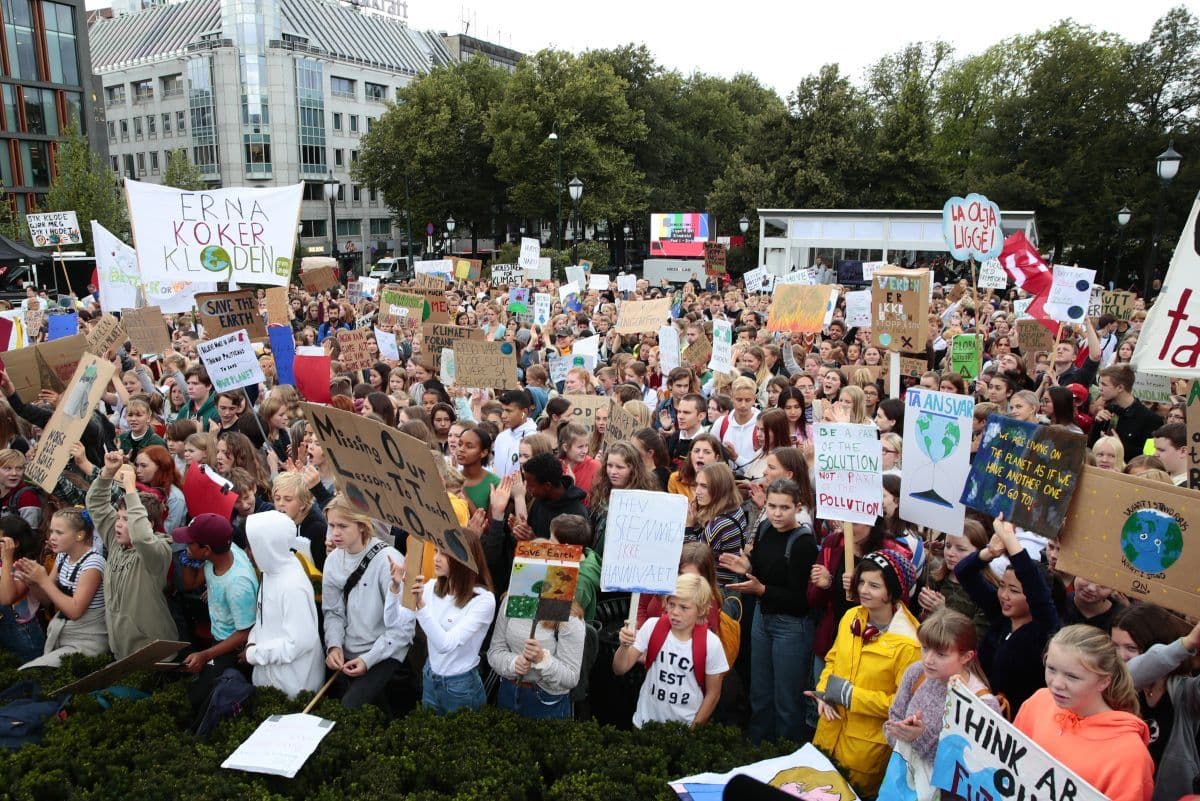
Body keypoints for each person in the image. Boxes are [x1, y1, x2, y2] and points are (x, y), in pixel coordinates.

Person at [807, 549, 921, 795]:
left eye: (874, 585)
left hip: (864, 752)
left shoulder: (910, 644)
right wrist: (825, 691)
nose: (863, 590)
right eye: (861, 582)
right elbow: (833, 659)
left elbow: (902, 705)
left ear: (893, 591)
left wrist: (849, 695)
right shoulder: (851, 616)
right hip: (829, 731)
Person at [717, 478, 817, 744]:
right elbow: (759, 567)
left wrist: (762, 590)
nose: (777, 513)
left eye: (784, 507)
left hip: (791, 627)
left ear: (797, 507)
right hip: (763, 619)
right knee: (760, 691)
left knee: (787, 697)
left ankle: (785, 751)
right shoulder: (763, 528)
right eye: (772, 506)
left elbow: (801, 599)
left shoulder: (803, 543)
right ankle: (757, 745)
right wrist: (745, 566)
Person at [1014, 625, 1153, 801]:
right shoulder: (1039, 701)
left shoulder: (1129, 755)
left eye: (1072, 676)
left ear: (1104, 682)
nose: (1056, 683)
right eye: (1051, 669)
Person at [881, 609, 1000, 799]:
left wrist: (918, 738)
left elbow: (971, 775)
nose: (928, 659)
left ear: (966, 657)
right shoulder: (916, 673)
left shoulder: (983, 704)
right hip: (901, 783)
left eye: (941, 654)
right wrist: (899, 732)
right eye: (925, 648)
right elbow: (891, 721)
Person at [956, 513, 1060, 713]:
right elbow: (964, 572)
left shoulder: (1045, 628)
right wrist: (990, 552)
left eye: (1014, 591)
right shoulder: (1000, 615)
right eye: (1002, 586)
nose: (1004, 595)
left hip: (1016, 724)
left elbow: (1031, 579)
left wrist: (1010, 540)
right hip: (978, 711)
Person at [322, 494, 414, 710]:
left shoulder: (389, 560)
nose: (335, 533)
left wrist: (369, 659)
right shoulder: (333, 560)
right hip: (347, 657)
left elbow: (403, 629)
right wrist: (333, 645)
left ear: (362, 524)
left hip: (385, 658)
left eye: (343, 526)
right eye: (332, 525)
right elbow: (333, 611)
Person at [384, 537, 495, 715]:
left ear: (464, 557)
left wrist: (420, 606)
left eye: (444, 553)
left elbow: (446, 644)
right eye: (436, 551)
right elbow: (394, 622)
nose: (436, 558)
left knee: (459, 742)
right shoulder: (431, 587)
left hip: (461, 686)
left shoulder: (483, 600)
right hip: (430, 675)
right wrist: (395, 587)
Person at [86, 454, 177, 659]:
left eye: (126, 519)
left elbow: (143, 538)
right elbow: (96, 504)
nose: (118, 524)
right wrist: (108, 472)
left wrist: (130, 490)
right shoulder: (115, 541)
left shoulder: (158, 551)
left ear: (150, 524)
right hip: (121, 651)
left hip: (154, 653)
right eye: (118, 517)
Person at [614, 573, 729, 729]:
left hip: (683, 728)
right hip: (643, 724)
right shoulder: (652, 626)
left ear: (701, 610)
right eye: (671, 604)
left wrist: (693, 730)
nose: (675, 612)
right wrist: (624, 646)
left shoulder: (711, 644)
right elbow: (620, 668)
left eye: (684, 607)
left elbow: (713, 694)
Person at [487, 562, 585, 719]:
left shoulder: (570, 619)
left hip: (547, 701)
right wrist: (513, 663)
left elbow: (571, 678)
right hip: (508, 691)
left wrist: (542, 660)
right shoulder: (512, 601)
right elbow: (494, 652)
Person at [243, 510, 324, 699]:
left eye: (252, 547)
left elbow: (299, 643)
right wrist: (253, 640)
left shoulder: (291, 585)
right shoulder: (270, 571)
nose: (247, 553)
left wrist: (254, 654)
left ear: (268, 546)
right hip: (272, 682)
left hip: (293, 688)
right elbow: (262, 617)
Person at [14, 508, 108, 669]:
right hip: (64, 635)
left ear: (80, 535)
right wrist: (32, 582)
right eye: (51, 531)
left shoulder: (93, 564)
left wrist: (43, 580)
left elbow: (75, 611)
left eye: (59, 532)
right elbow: (46, 600)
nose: (52, 538)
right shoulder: (63, 556)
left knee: (29, 672)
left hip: (87, 640)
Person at [173, 514, 259, 689]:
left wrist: (205, 655)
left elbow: (245, 631)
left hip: (232, 650)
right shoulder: (225, 550)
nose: (185, 546)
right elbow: (191, 583)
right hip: (218, 639)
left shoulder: (237, 585)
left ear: (206, 550)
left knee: (204, 695)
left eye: (190, 543)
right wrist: (188, 557)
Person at [685, 462, 749, 586]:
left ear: (719, 489)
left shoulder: (719, 524)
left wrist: (689, 527)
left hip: (715, 590)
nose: (697, 491)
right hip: (726, 582)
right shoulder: (734, 508)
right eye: (697, 484)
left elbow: (692, 560)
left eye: (704, 486)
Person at [1089, 364, 1162, 456]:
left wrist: (1119, 446)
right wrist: (1097, 423)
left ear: (1120, 388)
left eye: (1104, 385)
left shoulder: (1151, 419)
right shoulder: (1108, 411)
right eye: (1100, 384)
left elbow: (1149, 455)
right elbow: (1092, 445)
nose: (1100, 388)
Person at [0, 515, 45, 663]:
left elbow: (7, 598)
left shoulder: (25, 567)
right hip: (5, 631)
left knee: (34, 678)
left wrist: (7, 559)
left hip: (24, 634)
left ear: (15, 544)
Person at [272, 471, 328, 570]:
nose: (280, 503)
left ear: (303, 503)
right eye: (277, 498)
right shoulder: (283, 522)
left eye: (288, 499)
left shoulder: (317, 529)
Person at [134, 445, 188, 533]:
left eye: (143, 466)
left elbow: (167, 532)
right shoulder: (142, 487)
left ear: (161, 467)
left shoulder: (175, 497)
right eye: (137, 465)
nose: (138, 470)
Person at [493, 389, 537, 478]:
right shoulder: (501, 437)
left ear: (524, 413)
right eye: (503, 410)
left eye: (509, 411)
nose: (503, 416)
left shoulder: (534, 438)